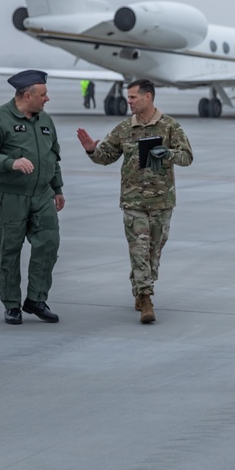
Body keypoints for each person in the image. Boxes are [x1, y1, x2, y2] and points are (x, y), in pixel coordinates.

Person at [77, 79, 193, 323]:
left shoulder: (170, 126)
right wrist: (91, 150)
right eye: (128, 97)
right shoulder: (123, 129)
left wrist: (168, 154)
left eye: (133, 97)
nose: (129, 101)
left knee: (153, 252)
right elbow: (105, 157)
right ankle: (146, 297)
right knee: (139, 250)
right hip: (133, 202)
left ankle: (141, 287)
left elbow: (187, 157)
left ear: (148, 97)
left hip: (162, 202)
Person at [0, 70, 64, 325]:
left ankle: (36, 299)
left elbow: (53, 155)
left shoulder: (45, 120)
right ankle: (11, 304)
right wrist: (10, 163)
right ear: (27, 95)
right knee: (9, 250)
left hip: (42, 194)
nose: (47, 99)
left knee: (48, 244)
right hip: (11, 195)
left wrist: (57, 188)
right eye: (43, 94)